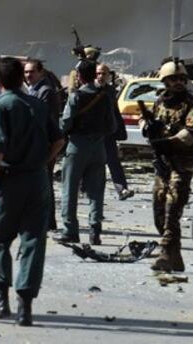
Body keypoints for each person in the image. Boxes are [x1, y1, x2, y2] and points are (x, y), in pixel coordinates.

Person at [0, 58, 64, 326]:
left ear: (0, 82)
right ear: (21, 79)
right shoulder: (38, 105)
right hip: (37, 181)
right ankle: (24, 306)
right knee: (33, 241)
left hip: (10, 181)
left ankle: (0, 300)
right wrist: (42, 163)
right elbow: (59, 139)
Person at [139, 60, 193, 273]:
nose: (178, 82)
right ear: (165, 81)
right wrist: (147, 128)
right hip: (162, 164)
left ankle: (166, 252)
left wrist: (171, 140)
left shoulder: (191, 102)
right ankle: (175, 255)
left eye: (181, 79)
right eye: (173, 79)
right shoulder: (159, 101)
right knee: (158, 210)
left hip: (181, 163)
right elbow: (145, 120)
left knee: (172, 208)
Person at [54, 59, 116, 245]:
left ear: (79, 76)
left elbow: (65, 124)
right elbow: (112, 126)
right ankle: (95, 229)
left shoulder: (76, 97)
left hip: (77, 146)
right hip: (98, 147)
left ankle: (70, 230)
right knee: (96, 191)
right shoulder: (105, 96)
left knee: (70, 190)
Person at [25, 60, 63, 230]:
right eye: (26, 72)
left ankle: (48, 220)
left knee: (44, 182)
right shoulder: (33, 89)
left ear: (41, 72)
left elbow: (43, 120)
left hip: (45, 143)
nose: (28, 75)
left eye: (32, 72)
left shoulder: (45, 91)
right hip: (36, 143)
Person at [95, 63, 133, 200]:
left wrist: (118, 129)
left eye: (103, 74)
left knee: (113, 161)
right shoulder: (88, 90)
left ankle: (122, 189)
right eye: (98, 73)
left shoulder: (110, 91)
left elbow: (114, 112)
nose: (100, 76)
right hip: (92, 134)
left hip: (108, 134)